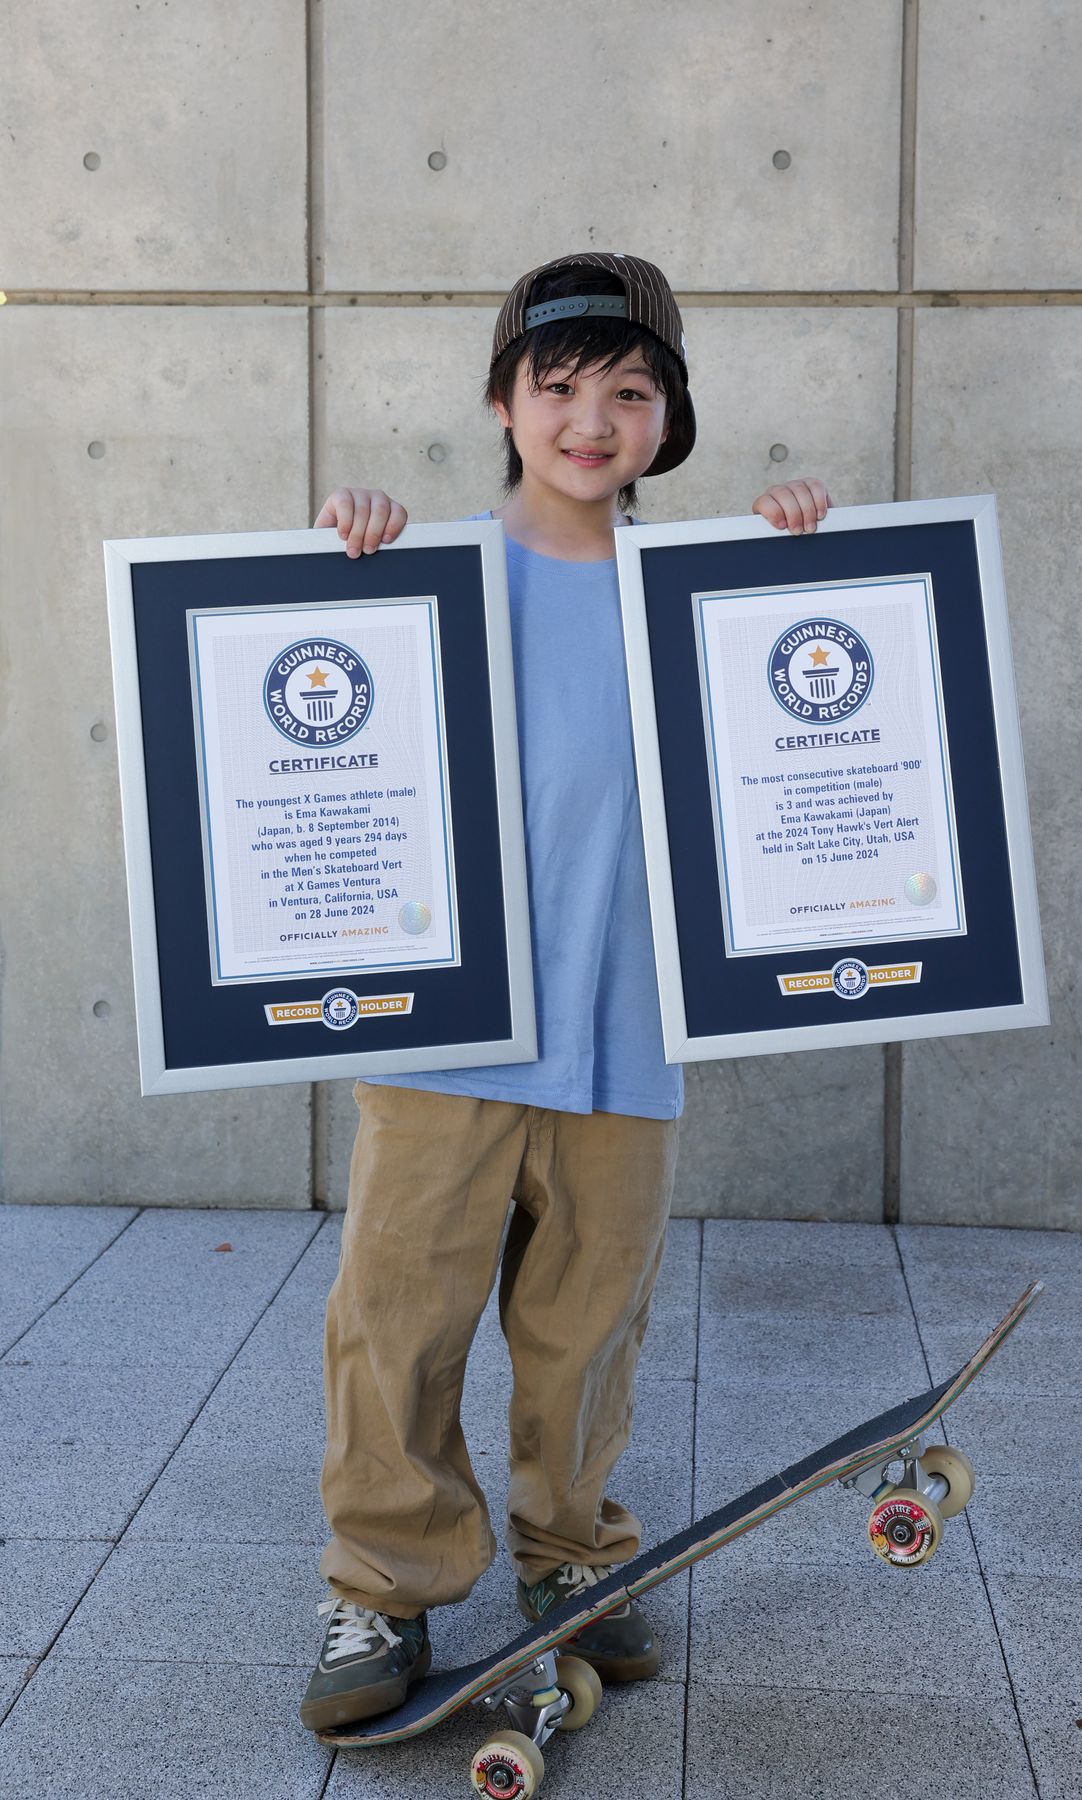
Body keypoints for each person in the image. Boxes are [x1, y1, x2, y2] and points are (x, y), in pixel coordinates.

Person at [299, 251, 831, 1732]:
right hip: (454, 1028)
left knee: (587, 1322)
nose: (591, 419)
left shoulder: (704, 594)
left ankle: (568, 1560)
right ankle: (380, 1592)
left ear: (670, 419)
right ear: (502, 401)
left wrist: (806, 563)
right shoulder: (422, 576)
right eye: (559, 388)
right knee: (397, 1316)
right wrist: (350, 544)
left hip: (629, 1022)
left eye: (630, 391)